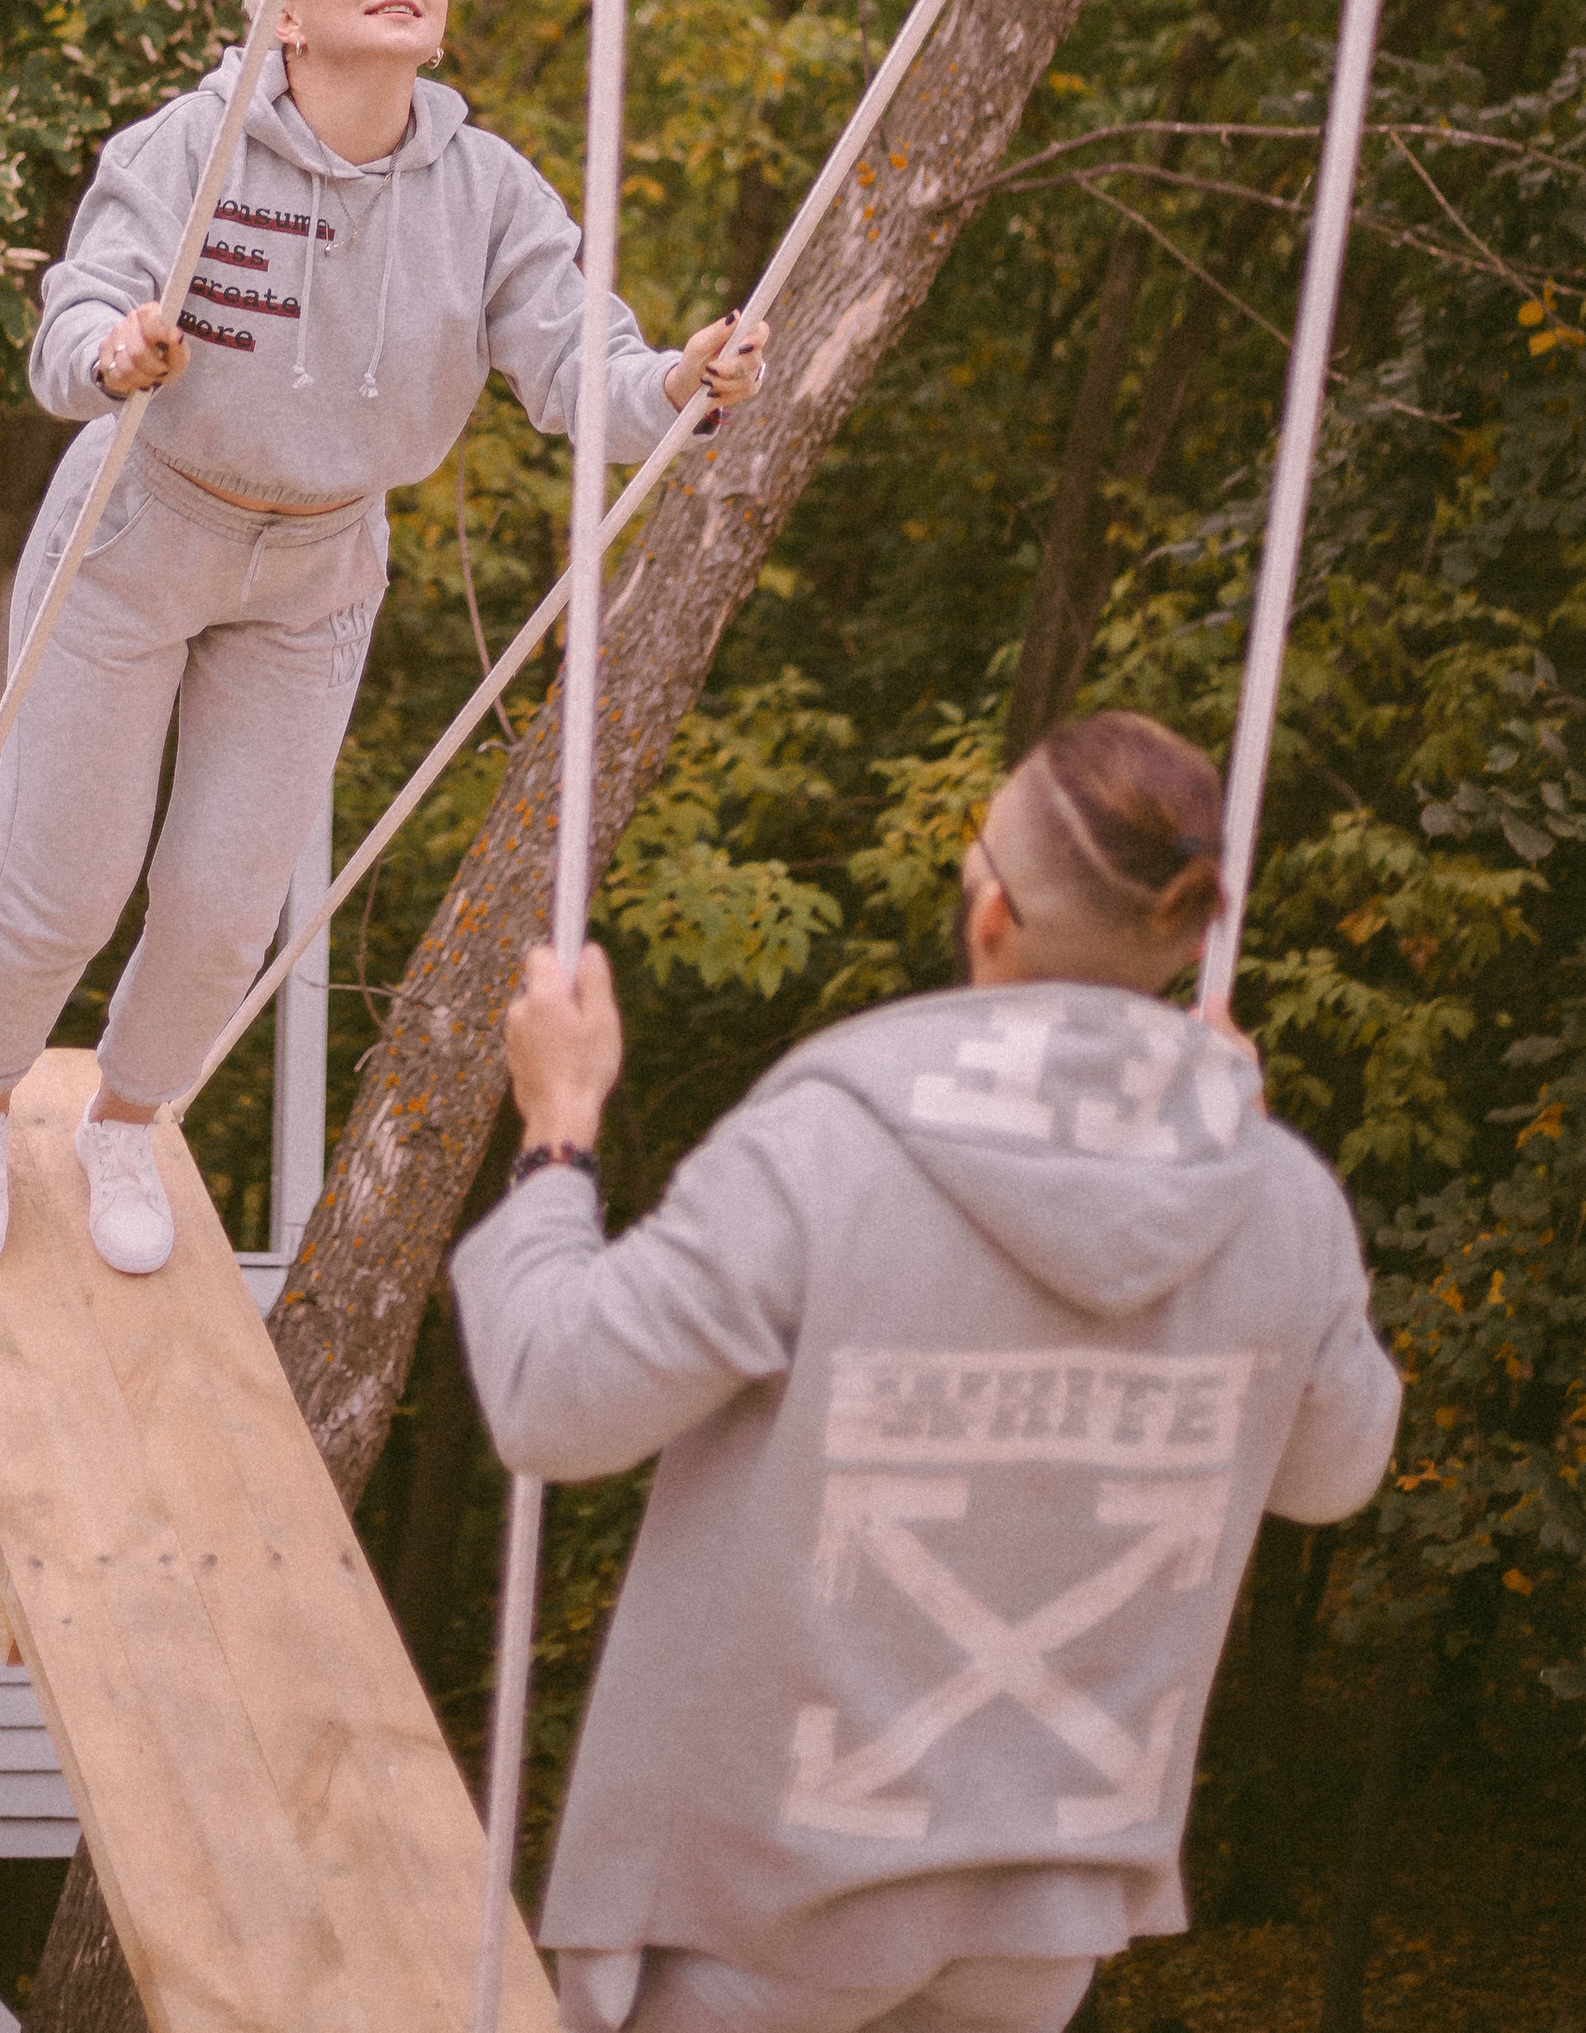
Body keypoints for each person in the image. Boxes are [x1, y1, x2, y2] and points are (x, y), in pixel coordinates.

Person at [451, 710, 1402, 2033]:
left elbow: (557, 1398)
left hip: (762, 1907)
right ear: (1193, 935)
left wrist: (560, 1129)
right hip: (1036, 1918)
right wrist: (1241, 1149)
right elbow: (1337, 1471)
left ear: (990, 911)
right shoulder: (1281, 1201)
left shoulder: (825, 1154)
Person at [0, 0, 769, 1281]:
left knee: (224, 906)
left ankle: (125, 1121)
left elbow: (586, 376)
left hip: (313, 569)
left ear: (439, 15)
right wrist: (114, 350)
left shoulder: (488, 190)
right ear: (286, 17)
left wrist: (681, 378)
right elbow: (67, 329)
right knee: (68, 881)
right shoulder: (184, 149)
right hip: (143, 527)